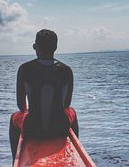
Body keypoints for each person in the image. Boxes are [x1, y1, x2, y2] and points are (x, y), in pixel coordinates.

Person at [9, 29, 79, 159]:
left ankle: (15, 159)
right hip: (59, 128)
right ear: (56, 47)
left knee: (13, 117)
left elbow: (21, 106)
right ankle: (74, 155)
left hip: (32, 129)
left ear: (35, 46)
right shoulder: (66, 70)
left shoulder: (24, 69)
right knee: (72, 112)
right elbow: (66, 105)